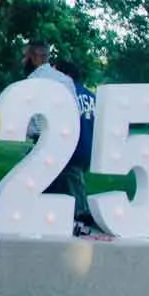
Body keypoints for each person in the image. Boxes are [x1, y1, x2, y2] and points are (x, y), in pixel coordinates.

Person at [53, 60, 96, 229]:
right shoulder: (91, 96)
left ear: (66, 75)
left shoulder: (66, 93)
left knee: (73, 184)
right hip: (88, 146)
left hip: (71, 148)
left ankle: (80, 214)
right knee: (68, 181)